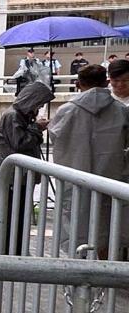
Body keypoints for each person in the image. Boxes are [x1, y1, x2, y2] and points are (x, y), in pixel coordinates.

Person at [48, 64, 129, 257]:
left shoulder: (66, 110)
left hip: (74, 178)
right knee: (109, 227)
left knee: (76, 225)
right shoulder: (121, 111)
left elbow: (55, 137)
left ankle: (78, 274)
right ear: (106, 82)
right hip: (112, 180)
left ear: (78, 84)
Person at [0, 81, 52, 253]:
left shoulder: (20, 116)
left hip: (23, 176)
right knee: (13, 215)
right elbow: (20, 142)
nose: (39, 108)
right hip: (14, 176)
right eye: (38, 104)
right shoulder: (12, 116)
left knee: (20, 215)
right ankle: (10, 249)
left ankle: (16, 248)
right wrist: (37, 128)